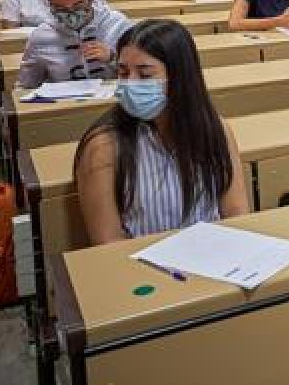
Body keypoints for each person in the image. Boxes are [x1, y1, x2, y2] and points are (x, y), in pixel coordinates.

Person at [73, 19, 249, 244]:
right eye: (123, 72)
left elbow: (236, 213)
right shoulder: (103, 146)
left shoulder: (216, 129)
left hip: (214, 259)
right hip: (142, 270)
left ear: (180, 77)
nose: (130, 83)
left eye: (145, 75)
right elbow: (108, 244)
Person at [17, 0, 134, 89]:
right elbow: (27, 84)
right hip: (66, 106)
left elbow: (144, 76)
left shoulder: (117, 24)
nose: (71, 13)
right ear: (49, 4)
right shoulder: (41, 37)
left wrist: (113, 58)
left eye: (78, 6)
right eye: (60, 8)